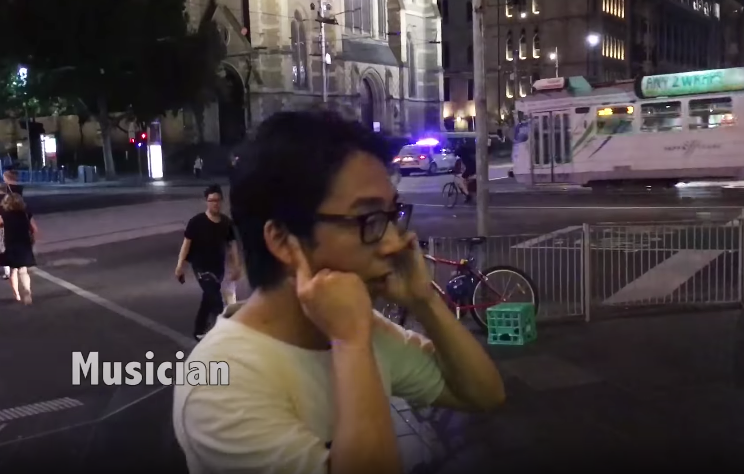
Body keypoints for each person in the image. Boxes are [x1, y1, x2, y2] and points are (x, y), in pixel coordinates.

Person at [172, 111, 504, 474]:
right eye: (369, 220)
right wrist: (351, 344)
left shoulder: (363, 332)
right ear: (283, 240)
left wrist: (424, 302)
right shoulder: (221, 383)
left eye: (393, 215)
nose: (396, 243)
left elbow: (483, 393)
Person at [175, 184, 242, 340]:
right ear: (206, 202)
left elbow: (232, 246)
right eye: (211, 200)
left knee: (208, 298)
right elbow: (186, 244)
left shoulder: (226, 223)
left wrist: (236, 266)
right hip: (200, 266)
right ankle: (222, 336)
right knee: (216, 301)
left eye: (218, 200)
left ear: (222, 201)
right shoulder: (196, 222)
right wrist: (180, 265)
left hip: (218, 268)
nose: (215, 203)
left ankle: (199, 330)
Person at [0, 192, 37, 304]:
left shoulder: (5, 216)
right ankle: (27, 291)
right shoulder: (26, 214)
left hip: (10, 244)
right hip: (24, 244)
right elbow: (35, 229)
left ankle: (17, 295)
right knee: (23, 270)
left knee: (13, 271)